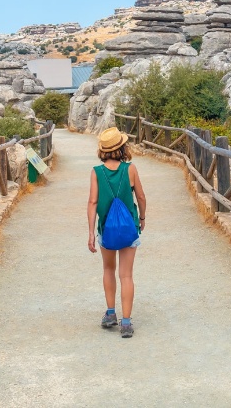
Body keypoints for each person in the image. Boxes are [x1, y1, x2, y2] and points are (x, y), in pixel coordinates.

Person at [87, 127, 147, 338]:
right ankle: (127, 322)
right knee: (127, 275)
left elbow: (93, 202)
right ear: (122, 146)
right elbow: (141, 197)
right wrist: (142, 218)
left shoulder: (96, 171)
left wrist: (91, 233)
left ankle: (111, 313)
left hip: (106, 228)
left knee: (108, 269)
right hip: (129, 227)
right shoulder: (130, 169)